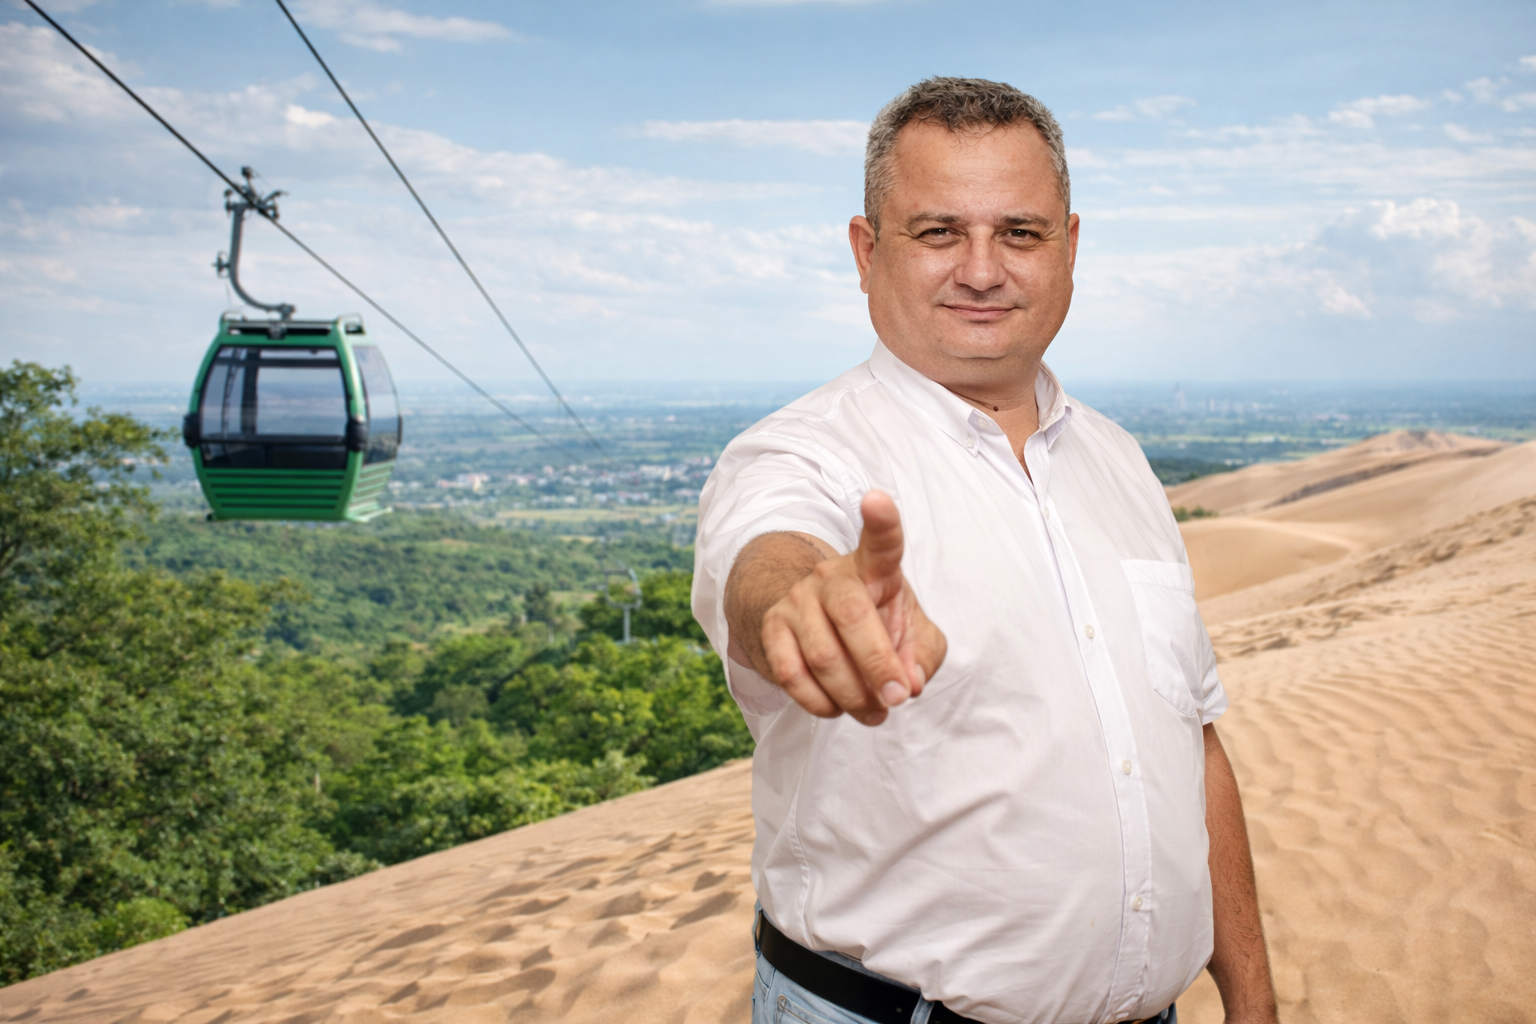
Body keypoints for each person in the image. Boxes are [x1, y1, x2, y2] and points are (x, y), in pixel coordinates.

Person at [690, 78, 1280, 1024]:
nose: (981, 269)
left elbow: (1189, 745)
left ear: (1070, 248)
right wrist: (804, 606)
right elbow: (766, 560)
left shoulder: (1120, 460)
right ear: (866, 250)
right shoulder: (801, 452)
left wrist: (1252, 1001)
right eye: (936, 233)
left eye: (1019, 232)